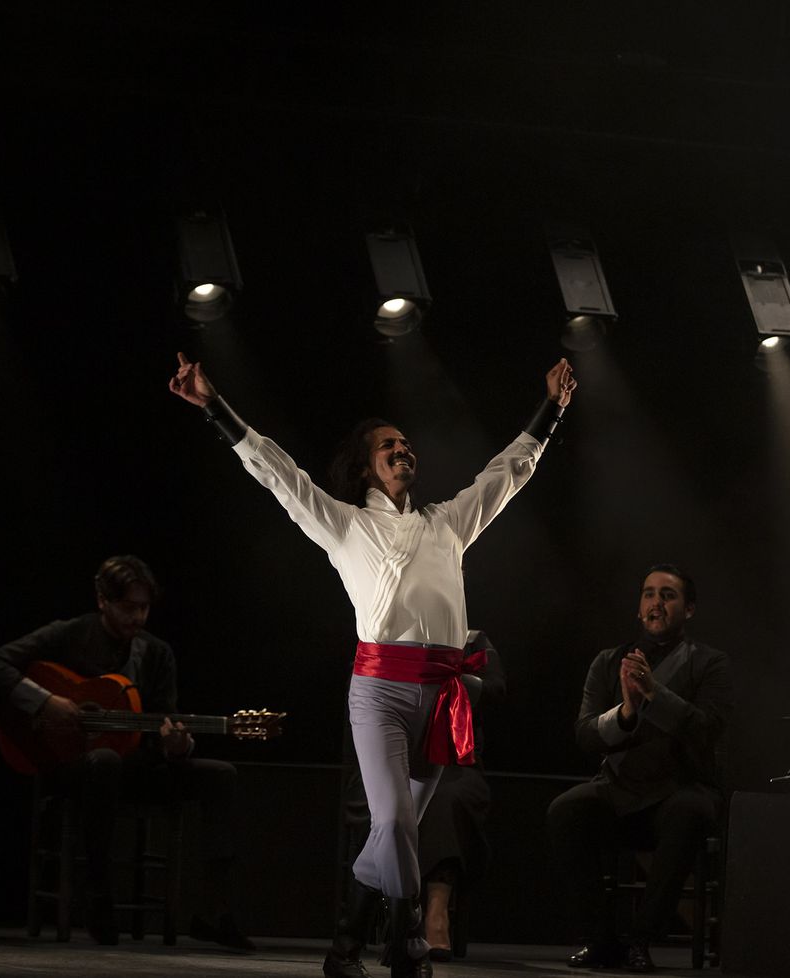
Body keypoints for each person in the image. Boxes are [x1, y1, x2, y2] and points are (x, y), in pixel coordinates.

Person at [168, 351, 574, 978]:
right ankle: (406, 937)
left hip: (441, 693)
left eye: (408, 443)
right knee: (391, 819)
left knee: (399, 829)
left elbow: (506, 474)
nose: (404, 449)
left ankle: (344, 946)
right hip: (380, 691)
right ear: (366, 466)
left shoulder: (446, 524)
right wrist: (215, 406)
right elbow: (277, 474)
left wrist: (551, 409)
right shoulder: (345, 524)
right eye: (390, 445)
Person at [0, 554, 250, 949]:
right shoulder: (68, 634)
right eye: (128, 607)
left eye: (144, 608)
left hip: (139, 768)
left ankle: (215, 912)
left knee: (222, 774)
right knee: (104, 761)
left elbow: (164, 724)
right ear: (103, 600)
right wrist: (45, 702)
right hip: (76, 768)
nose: (137, 617)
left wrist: (176, 746)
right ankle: (97, 893)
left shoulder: (156, 654)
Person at [546, 565, 731, 974]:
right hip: (621, 789)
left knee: (692, 812)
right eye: (649, 594)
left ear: (689, 609)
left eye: (668, 595)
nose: (656, 603)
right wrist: (628, 711)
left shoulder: (710, 664)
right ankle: (601, 939)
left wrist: (654, 693)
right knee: (565, 811)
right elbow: (586, 735)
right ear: (638, 607)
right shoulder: (609, 661)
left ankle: (641, 940)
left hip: (679, 788)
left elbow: (708, 729)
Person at [342, 629, 504, 969]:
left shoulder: (471, 639)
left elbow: (495, 691)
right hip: (393, 751)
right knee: (391, 815)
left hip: (453, 754)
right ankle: (409, 932)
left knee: (442, 801)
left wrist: (452, 677)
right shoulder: (385, 631)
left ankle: (361, 938)